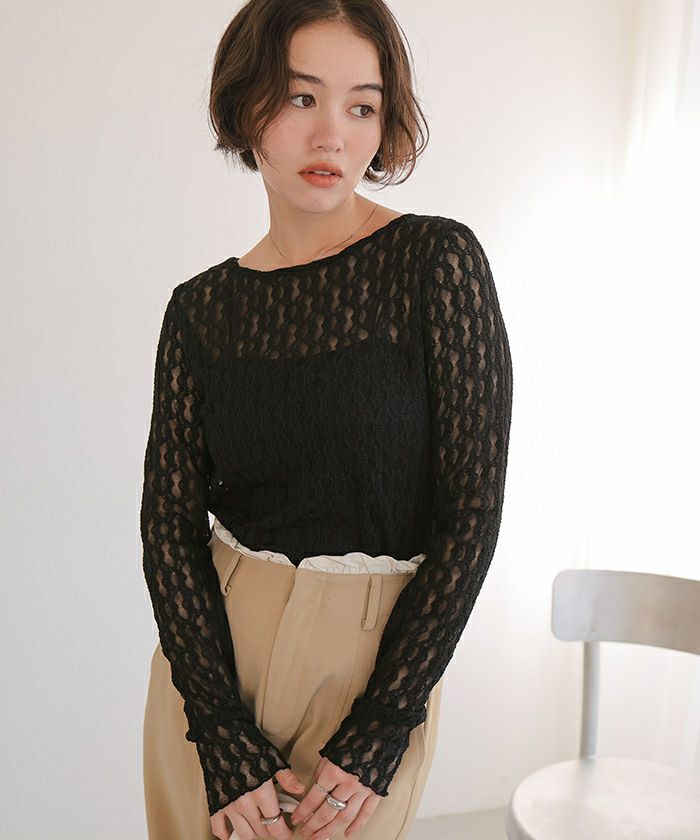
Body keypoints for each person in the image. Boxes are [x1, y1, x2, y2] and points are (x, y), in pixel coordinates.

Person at [140, 2, 514, 839]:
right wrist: (218, 731)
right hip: (211, 670)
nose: (332, 136)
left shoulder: (435, 262)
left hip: (374, 669)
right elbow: (167, 522)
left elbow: (472, 511)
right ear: (247, 105)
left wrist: (384, 725)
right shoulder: (199, 310)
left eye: (362, 106)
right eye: (301, 97)